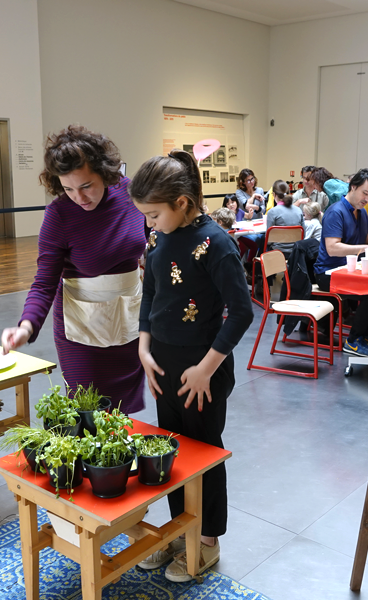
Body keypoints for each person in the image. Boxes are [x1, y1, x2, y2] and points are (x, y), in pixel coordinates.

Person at [130, 149, 253, 582]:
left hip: (203, 367)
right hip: (163, 362)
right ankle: (180, 531)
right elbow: (150, 292)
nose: (148, 223)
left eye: (153, 213)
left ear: (182, 203)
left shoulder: (216, 243)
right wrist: (144, 346)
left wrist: (205, 369)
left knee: (203, 454)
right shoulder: (159, 237)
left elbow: (241, 312)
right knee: (171, 452)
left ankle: (206, 542)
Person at [1, 125, 146, 413]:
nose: (78, 198)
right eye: (67, 188)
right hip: (81, 327)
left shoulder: (130, 195)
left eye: (86, 186)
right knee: (87, 411)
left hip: (129, 317)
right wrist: (26, 327)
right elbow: (44, 282)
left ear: (104, 173)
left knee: (121, 414)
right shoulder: (59, 215)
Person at [314, 169, 368, 357]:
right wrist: (365, 249)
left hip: (348, 269)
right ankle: (352, 341)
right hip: (329, 273)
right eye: (365, 193)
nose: (367, 199)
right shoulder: (336, 212)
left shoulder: (360, 213)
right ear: (353, 187)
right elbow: (332, 248)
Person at [264, 180, 305, 254]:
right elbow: (303, 234)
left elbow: (268, 240)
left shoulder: (272, 212)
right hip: (296, 252)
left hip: (278, 252)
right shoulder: (298, 210)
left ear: (274, 194)